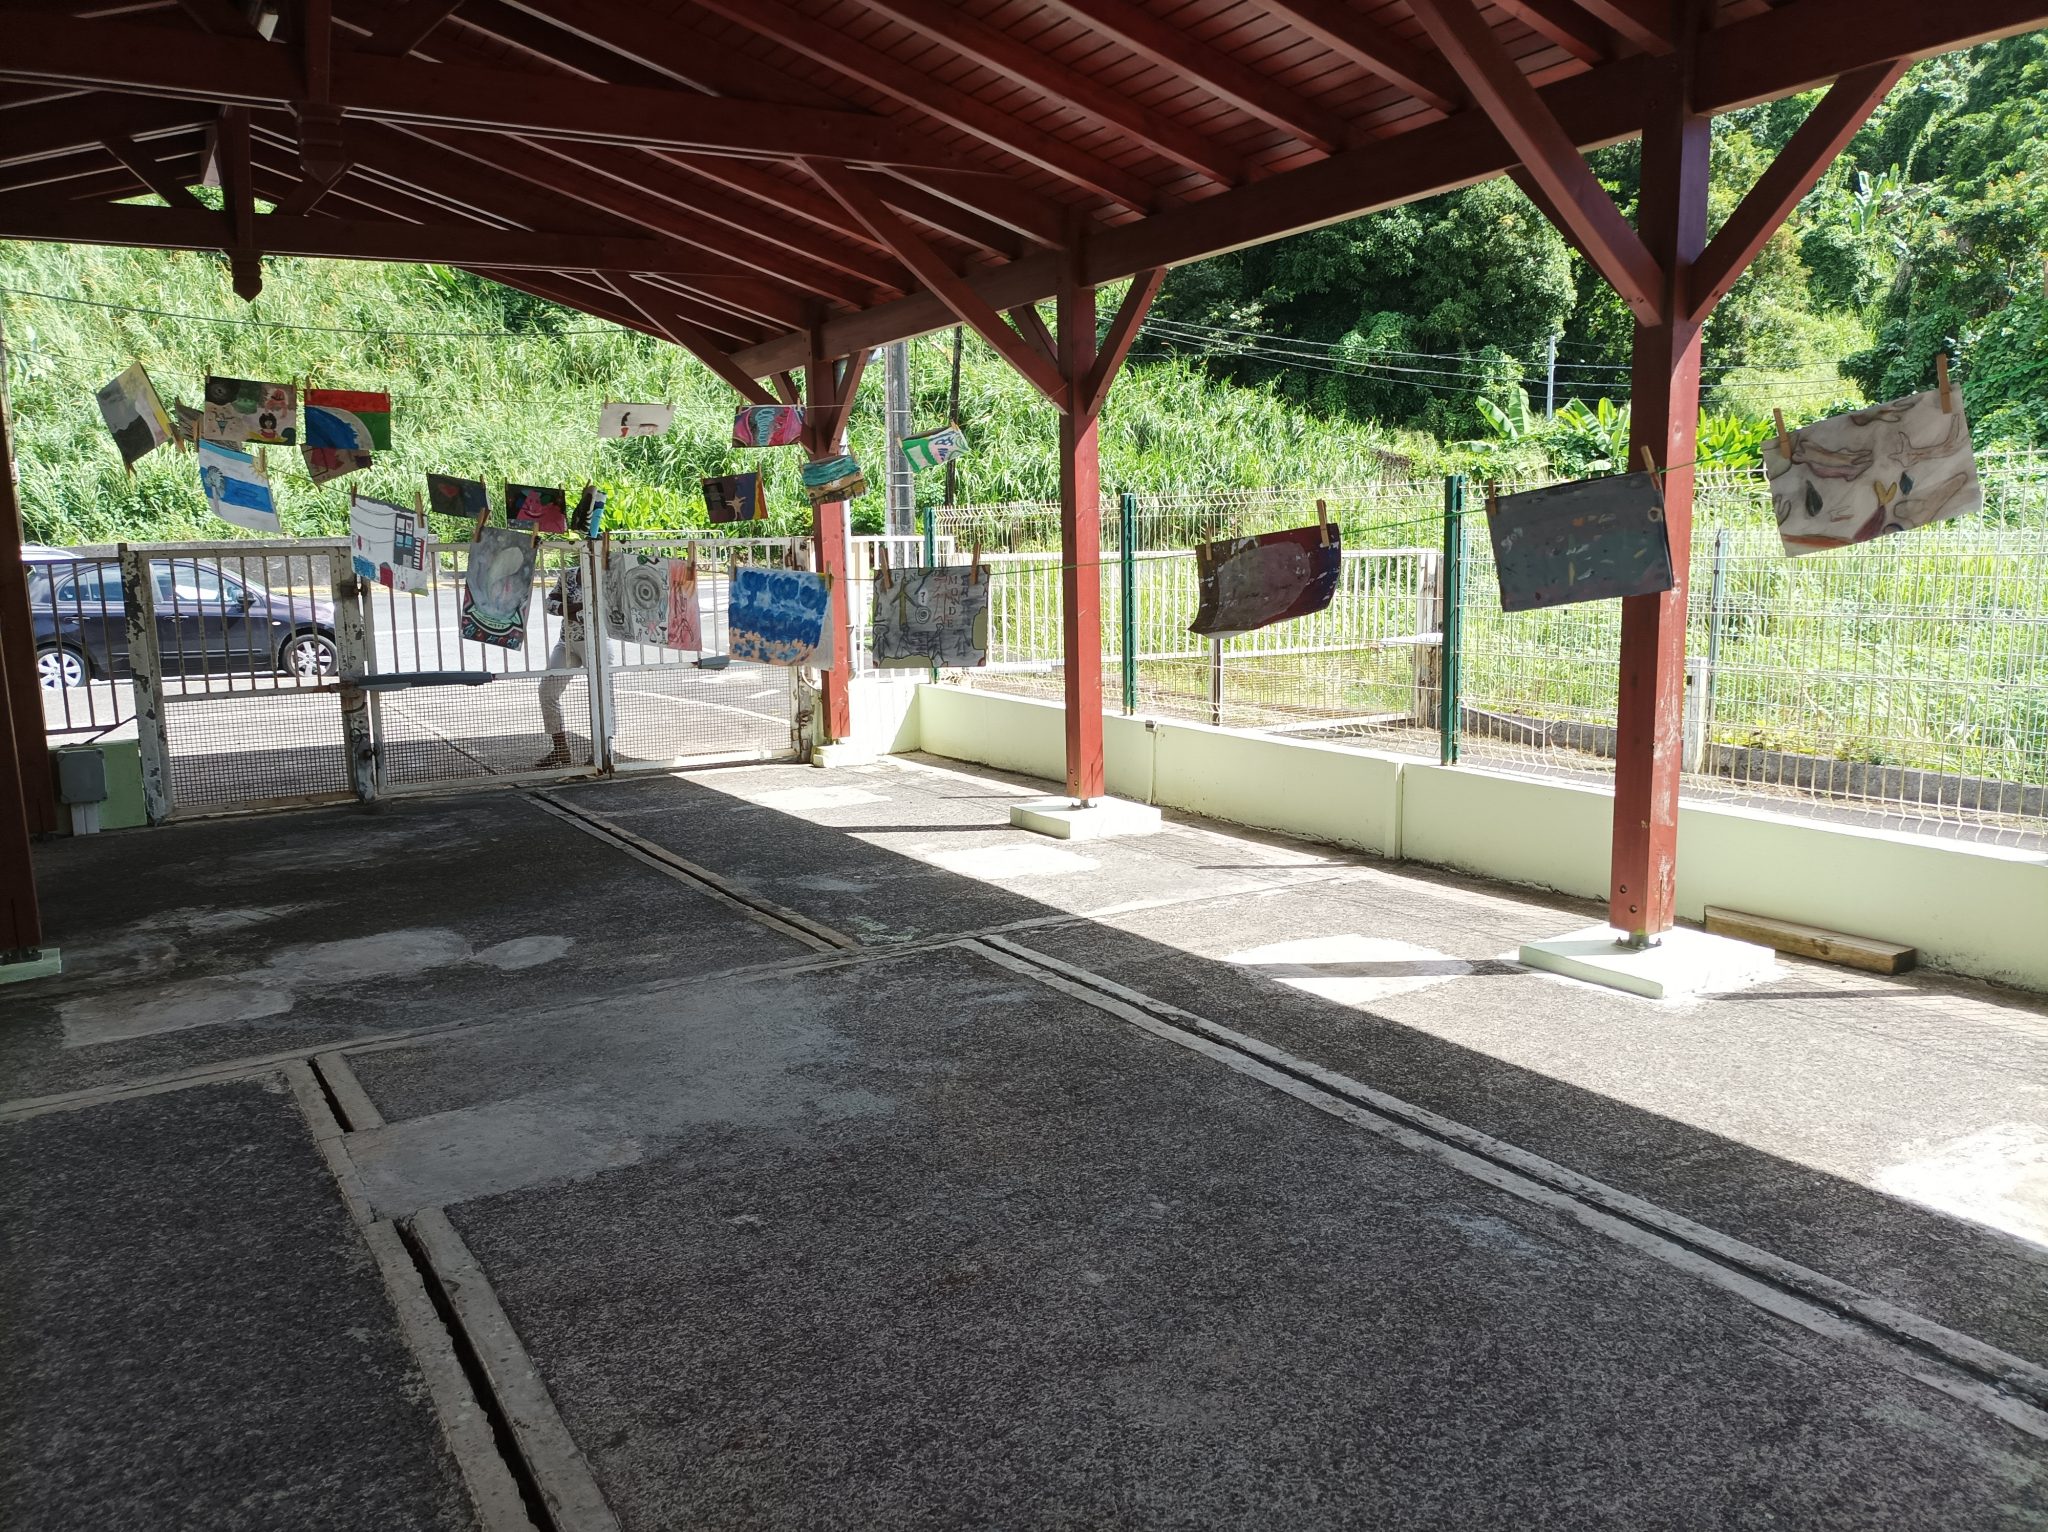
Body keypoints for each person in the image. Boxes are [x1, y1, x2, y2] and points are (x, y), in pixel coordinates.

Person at [535, 560, 596, 768]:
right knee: (547, 691)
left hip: (594, 642)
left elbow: (597, 611)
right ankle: (560, 748)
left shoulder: (605, 576)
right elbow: (549, 604)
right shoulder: (569, 574)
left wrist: (565, 608)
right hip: (566, 641)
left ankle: (600, 752)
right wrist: (576, 608)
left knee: (601, 695)